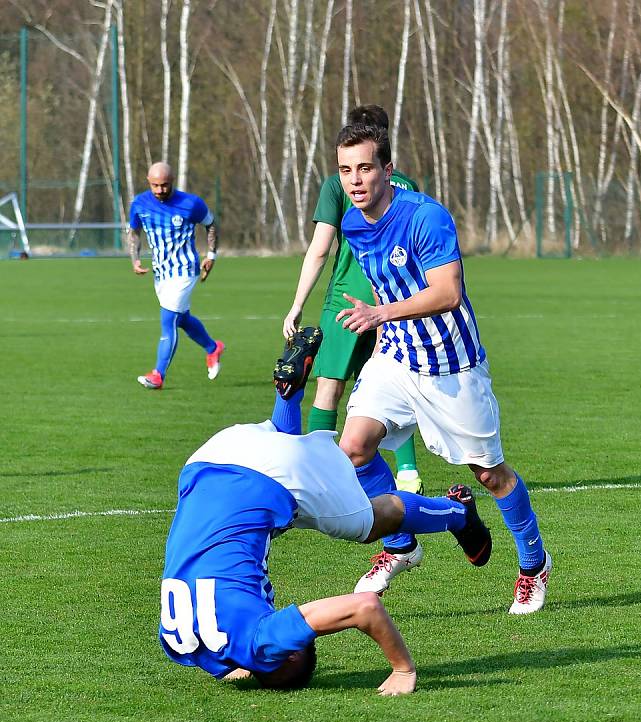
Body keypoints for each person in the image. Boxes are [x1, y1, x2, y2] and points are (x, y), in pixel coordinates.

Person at [159, 327, 492, 694]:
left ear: (286, 655)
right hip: (209, 461)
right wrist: (241, 666)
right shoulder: (180, 644)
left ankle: (455, 515)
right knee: (277, 504)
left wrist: (403, 670)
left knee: (370, 520)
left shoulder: (263, 643)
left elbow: (365, 607)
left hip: (265, 476)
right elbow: (225, 656)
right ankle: (288, 394)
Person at [333, 123, 552, 615]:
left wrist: (379, 313)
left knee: (490, 475)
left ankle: (534, 564)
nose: (355, 180)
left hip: (452, 366)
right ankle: (402, 546)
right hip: (395, 356)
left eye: (365, 168)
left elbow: (447, 292)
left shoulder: (426, 218)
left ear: (388, 170)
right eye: (346, 170)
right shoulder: (352, 223)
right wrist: (381, 324)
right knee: (354, 447)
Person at [283, 105, 424, 496]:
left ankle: (317, 475)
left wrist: (297, 304)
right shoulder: (408, 184)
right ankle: (408, 473)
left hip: (347, 301)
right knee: (395, 388)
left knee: (329, 387)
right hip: (396, 303)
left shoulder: (335, 184)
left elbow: (320, 249)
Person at [128, 162, 224, 389]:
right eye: (155, 186)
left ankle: (158, 375)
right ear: (148, 183)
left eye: (164, 185)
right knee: (181, 319)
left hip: (184, 271)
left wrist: (211, 255)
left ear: (172, 182)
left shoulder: (191, 203)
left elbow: (211, 225)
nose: (160, 190)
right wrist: (135, 259)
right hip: (161, 272)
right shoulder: (140, 204)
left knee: (168, 319)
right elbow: (134, 232)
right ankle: (213, 348)